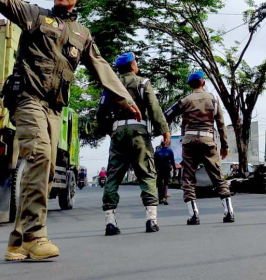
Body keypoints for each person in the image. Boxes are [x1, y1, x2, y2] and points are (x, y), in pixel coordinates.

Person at [0, 0, 141, 262]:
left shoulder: (82, 34)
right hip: (28, 98)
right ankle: (36, 235)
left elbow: (101, 67)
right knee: (40, 156)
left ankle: (17, 242)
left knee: (44, 173)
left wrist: (126, 100)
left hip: (54, 108)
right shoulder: (36, 17)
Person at [97, 52, 170, 235]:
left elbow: (100, 114)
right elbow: (154, 108)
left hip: (118, 134)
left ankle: (110, 222)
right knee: (147, 174)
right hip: (139, 134)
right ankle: (151, 221)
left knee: (113, 176)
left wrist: (112, 130)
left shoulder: (111, 86)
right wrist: (164, 130)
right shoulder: (143, 83)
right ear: (132, 66)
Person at [165, 70, 234, 225]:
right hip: (208, 141)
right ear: (203, 83)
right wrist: (224, 145)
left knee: (188, 178)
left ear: (190, 85)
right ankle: (229, 212)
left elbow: (166, 114)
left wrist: (165, 131)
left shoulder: (184, 101)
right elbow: (221, 125)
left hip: (189, 142)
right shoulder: (214, 100)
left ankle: (193, 215)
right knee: (218, 177)